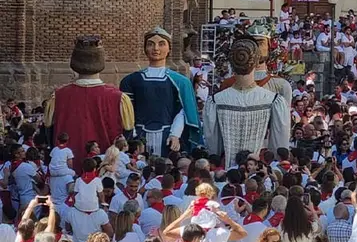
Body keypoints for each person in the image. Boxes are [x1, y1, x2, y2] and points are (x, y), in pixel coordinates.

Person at [43, 36, 135, 173]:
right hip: (105, 170)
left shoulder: (57, 96)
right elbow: (127, 133)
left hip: (66, 170)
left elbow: (48, 133)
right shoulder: (119, 98)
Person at [204, 31, 290, 168]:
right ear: (256, 62)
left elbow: (213, 146)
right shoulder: (273, 100)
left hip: (225, 168)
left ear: (231, 62)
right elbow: (279, 146)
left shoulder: (215, 101)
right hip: (260, 167)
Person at [120, 27, 200, 156]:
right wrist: (133, 135)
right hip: (139, 135)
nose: (156, 48)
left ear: (169, 49)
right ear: (145, 48)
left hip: (167, 136)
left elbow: (183, 111)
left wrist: (175, 134)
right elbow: (127, 111)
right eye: (151, 44)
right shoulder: (131, 80)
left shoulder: (180, 81)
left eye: (161, 44)